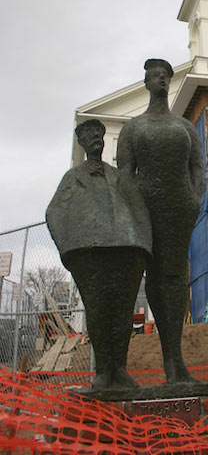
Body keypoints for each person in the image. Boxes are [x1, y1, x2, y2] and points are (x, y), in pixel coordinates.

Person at [46, 119, 152, 400]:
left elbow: (139, 208)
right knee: (98, 312)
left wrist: (144, 245)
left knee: (122, 314)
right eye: (88, 134)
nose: (94, 137)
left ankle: (120, 368)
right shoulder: (72, 177)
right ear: (81, 142)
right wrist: (68, 249)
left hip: (126, 250)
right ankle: (104, 371)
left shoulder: (119, 176)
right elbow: (54, 213)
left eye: (98, 133)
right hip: (89, 253)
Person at [117, 59, 205, 386]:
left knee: (173, 275)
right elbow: (125, 174)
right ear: (146, 83)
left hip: (179, 206)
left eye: (166, 76)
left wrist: (195, 198)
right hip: (145, 207)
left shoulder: (183, 127)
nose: (162, 80)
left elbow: (198, 167)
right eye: (156, 76)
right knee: (147, 275)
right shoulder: (133, 128)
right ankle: (119, 367)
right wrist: (132, 209)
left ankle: (175, 360)